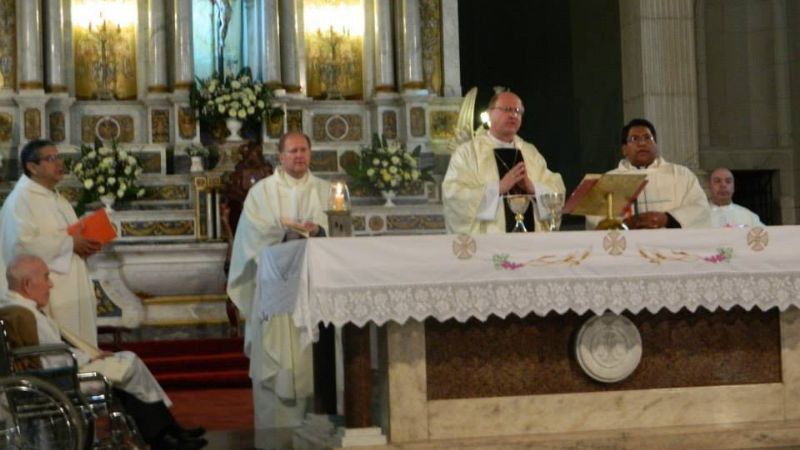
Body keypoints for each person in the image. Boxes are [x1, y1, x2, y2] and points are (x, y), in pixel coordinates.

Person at [1, 254, 206, 450]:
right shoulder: (25, 314)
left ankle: (167, 432)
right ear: (27, 284)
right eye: (46, 277)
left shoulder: (17, 306)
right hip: (58, 380)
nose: (51, 284)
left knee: (126, 368)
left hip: (58, 373)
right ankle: (166, 434)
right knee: (129, 364)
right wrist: (90, 357)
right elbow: (55, 356)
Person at [226, 132, 330, 444]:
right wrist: (284, 232)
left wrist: (320, 230)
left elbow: (341, 229)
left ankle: (318, 434)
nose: (299, 155)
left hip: (314, 293)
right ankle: (274, 441)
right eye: (293, 151)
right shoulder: (262, 192)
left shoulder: (327, 190)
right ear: (281, 157)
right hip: (276, 292)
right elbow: (250, 237)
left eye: (304, 150)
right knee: (276, 368)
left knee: (315, 364)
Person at [0, 139, 101, 347]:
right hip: (49, 294)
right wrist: (70, 244)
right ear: (32, 167)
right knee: (61, 352)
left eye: (59, 157)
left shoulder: (56, 198)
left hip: (70, 288)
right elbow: (21, 248)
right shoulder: (21, 200)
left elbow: (70, 238)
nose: (59, 163)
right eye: (50, 158)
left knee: (83, 350)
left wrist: (84, 244)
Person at [443, 90, 565, 234]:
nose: (513, 115)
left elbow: (556, 190)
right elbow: (454, 195)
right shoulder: (468, 153)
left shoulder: (530, 152)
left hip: (532, 242)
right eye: (507, 109)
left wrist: (533, 188)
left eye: (518, 111)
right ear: (489, 113)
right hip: (492, 243)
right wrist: (498, 188)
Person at [587, 118, 710, 229]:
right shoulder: (609, 180)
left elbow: (700, 207)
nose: (642, 143)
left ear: (655, 145)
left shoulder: (681, 175)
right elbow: (594, 218)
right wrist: (624, 224)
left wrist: (668, 219)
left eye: (647, 138)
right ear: (624, 149)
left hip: (672, 248)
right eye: (634, 139)